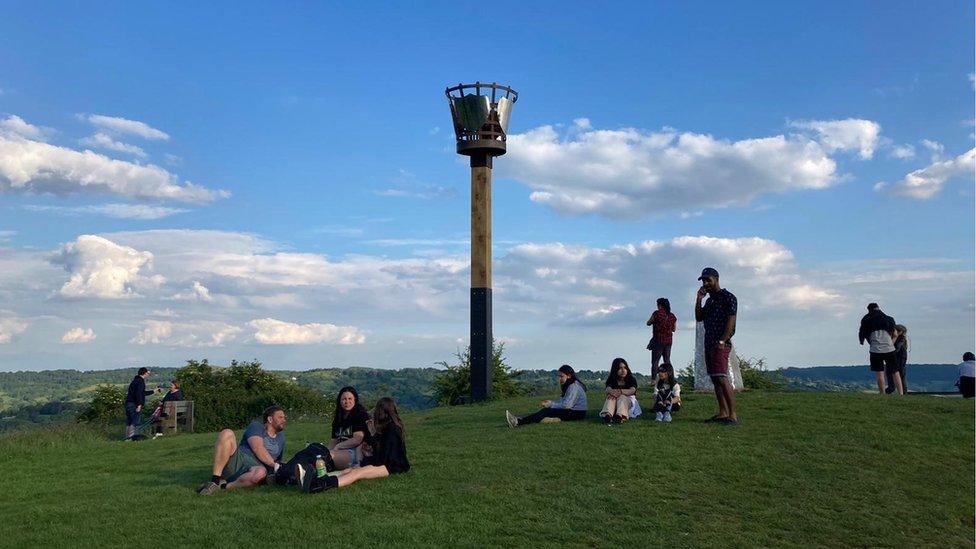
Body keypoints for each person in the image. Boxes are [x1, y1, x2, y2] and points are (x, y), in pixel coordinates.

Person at [297, 397, 409, 493]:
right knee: (348, 470)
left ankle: (321, 485)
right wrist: (369, 452)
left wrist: (371, 444)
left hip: (394, 466)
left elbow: (386, 456)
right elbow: (384, 450)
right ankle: (317, 479)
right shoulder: (390, 427)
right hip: (388, 462)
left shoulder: (392, 429)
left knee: (357, 473)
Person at [196, 406, 287, 495]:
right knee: (227, 433)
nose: (284, 420)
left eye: (284, 417)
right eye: (280, 417)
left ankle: (223, 486)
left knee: (260, 473)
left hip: (257, 469)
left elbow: (277, 460)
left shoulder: (281, 438)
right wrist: (274, 465)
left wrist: (275, 470)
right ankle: (215, 481)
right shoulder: (256, 426)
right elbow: (257, 448)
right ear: (270, 419)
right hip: (239, 460)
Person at [695, 267, 739, 425]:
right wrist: (699, 299)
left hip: (721, 344)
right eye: (704, 280)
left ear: (716, 279)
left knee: (721, 377)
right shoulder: (709, 300)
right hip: (709, 343)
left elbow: (731, 321)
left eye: (708, 279)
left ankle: (732, 415)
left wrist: (722, 340)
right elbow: (699, 317)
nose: (706, 283)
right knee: (715, 378)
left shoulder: (729, 297)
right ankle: (723, 412)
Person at [505, 365, 588, 428]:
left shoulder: (573, 387)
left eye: (561, 376)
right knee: (547, 411)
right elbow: (564, 402)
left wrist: (551, 404)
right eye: (559, 376)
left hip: (577, 413)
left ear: (569, 376)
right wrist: (551, 403)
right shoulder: (572, 385)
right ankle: (522, 419)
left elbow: (567, 405)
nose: (559, 378)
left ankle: (518, 422)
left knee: (546, 411)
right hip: (576, 412)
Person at [858, 303, 902, 395]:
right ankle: (901, 394)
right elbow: (895, 334)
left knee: (880, 373)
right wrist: (891, 344)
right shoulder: (889, 319)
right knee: (895, 372)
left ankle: (882, 394)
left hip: (875, 350)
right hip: (889, 348)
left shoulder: (866, 320)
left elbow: (864, 334)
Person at [328, 386, 370, 469]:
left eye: (350, 399)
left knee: (327, 457)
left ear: (355, 399)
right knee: (316, 451)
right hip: (341, 451)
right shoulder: (338, 418)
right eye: (344, 399)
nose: (347, 402)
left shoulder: (360, 415)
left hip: (357, 452)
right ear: (340, 401)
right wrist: (326, 450)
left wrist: (338, 447)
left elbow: (357, 439)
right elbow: (334, 440)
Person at [600, 358, 637, 425]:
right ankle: (608, 415)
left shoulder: (631, 379)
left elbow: (632, 390)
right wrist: (612, 392)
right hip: (615, 401)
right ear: (615, 369)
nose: (623, 370)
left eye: (625, 368)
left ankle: (620, 416)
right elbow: (608, 389)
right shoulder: (612, 379)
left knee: (622, 397)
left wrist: (620, 391)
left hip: (628, 401)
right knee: (611, 397)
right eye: (620, 368)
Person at [646, 298, 677, 378]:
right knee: (667, 361)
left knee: (655, 361)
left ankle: (653, 379)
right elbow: (674, 329)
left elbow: (648, 323)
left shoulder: (657, 314)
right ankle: (671, 378)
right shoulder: (672, 316)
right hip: (668, 341)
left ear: (660, 305)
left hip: (658, 340)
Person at [124, 367, 157, 439]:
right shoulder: (141, 381)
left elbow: (141, 393)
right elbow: (139, 394)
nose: (148, 375)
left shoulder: (135, 380)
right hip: (134, 404)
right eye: (148, 373)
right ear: (144, 373)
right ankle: (131, 437)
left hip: (128, 403)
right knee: (135, 421)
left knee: (129, 422)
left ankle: (127, 438)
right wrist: (139, 405)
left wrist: (153, 391)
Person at [886, 325, 909, 394]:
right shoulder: (901, 339)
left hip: (898, 361)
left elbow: (896, 349)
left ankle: (886, 392)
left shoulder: (900, 339)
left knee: (899, 379)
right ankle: (903, 393)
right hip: (898, 361)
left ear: (900, 332)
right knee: (901, 378)